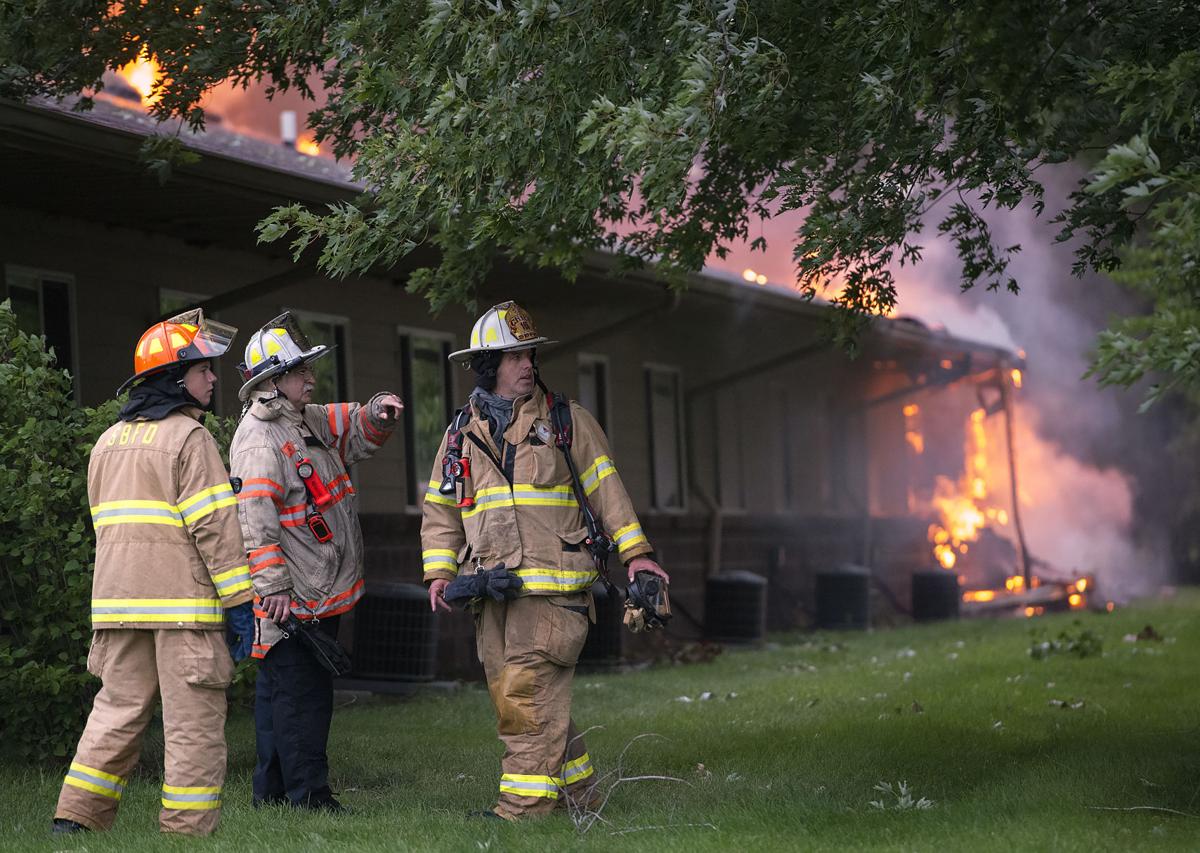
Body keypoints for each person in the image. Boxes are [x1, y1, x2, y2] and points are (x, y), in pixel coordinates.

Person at [421, 300, 669, 821]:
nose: (527, 364)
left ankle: (523, 809)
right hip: (491, 592)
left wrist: (638, 556)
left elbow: (607, 491)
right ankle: (580, 793)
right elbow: (441, 509)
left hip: (554, 593)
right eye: (515, 356)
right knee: (521, 699)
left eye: (530, 355)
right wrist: (440, 572)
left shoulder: (566, 421)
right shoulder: (460, 433)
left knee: (526, 697)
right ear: (488, 365)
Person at [52, 309, 254, 836]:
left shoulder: (107, 442)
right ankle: (187, 831)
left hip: (118, 607)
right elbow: (215, 529)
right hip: (184, 609)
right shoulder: (190, 438)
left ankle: (75, 819)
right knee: (193, 724)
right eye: (203, 369)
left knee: (115, 712)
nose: (212, 378)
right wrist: (239, 603)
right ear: (174, 377)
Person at [230, 312, 402, 811]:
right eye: (300, 370)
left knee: (282, 694)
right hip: (293, 597)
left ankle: (272, 795)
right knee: (302, 698)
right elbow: (254, 520)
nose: (311, 378)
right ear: (273, 381)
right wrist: (273, 588)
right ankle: (310, 797)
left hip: (309, 590)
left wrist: (377, 412)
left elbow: (351, 427)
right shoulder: (261, 439)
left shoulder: (302, 418)